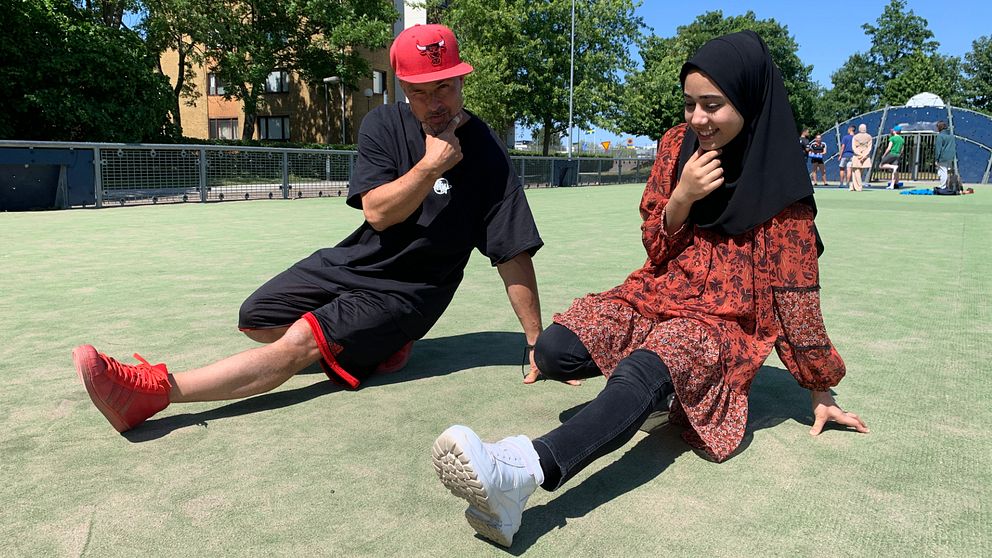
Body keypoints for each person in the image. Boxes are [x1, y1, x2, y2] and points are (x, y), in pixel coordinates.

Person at [431, 31, 868, 548]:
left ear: (749, 101)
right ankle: (656, 391)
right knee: (554, 351)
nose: (698, 119)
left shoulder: (781, 186)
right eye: (690, 104)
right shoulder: (673, 147)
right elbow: (654, 245)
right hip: (657, 293)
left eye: (714, 105)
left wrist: (819, 388)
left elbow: (796, 294)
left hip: (723, 323)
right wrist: (681, 197)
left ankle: (522, 473)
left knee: (649, 365)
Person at [72, 24, 549, 433]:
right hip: (357, 261)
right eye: (419, 92)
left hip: (412, 291)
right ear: (403, 87)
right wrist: (429, 167)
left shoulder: (487, 153)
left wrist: (535, 342)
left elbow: (513, 254)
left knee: (302, 339)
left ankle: (153, 393)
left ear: (460, 79)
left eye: (443, 87)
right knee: (256, 316)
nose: (433, 102)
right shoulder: (383, 124)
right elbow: (379, 214)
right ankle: (369, 348)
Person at [933, 120, 960, 194]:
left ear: (939, 127)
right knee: (945, 171)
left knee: (943, 171)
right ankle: (946, 185)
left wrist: (937, 158)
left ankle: (943, 186)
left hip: (942, 156)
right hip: (950, 156)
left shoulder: (940, 136)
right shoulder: (951, 136)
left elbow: (938, 149)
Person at [850, 124, 873, 191]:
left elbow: (853, 147)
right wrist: (864, 155)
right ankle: (853, 186)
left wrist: (859, 154)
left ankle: (858, 187)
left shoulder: (855, 137)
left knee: (856, 171)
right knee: (858, 172)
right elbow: (869, 147)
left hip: (857, 156)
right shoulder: (869, 137)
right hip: (865, 156)